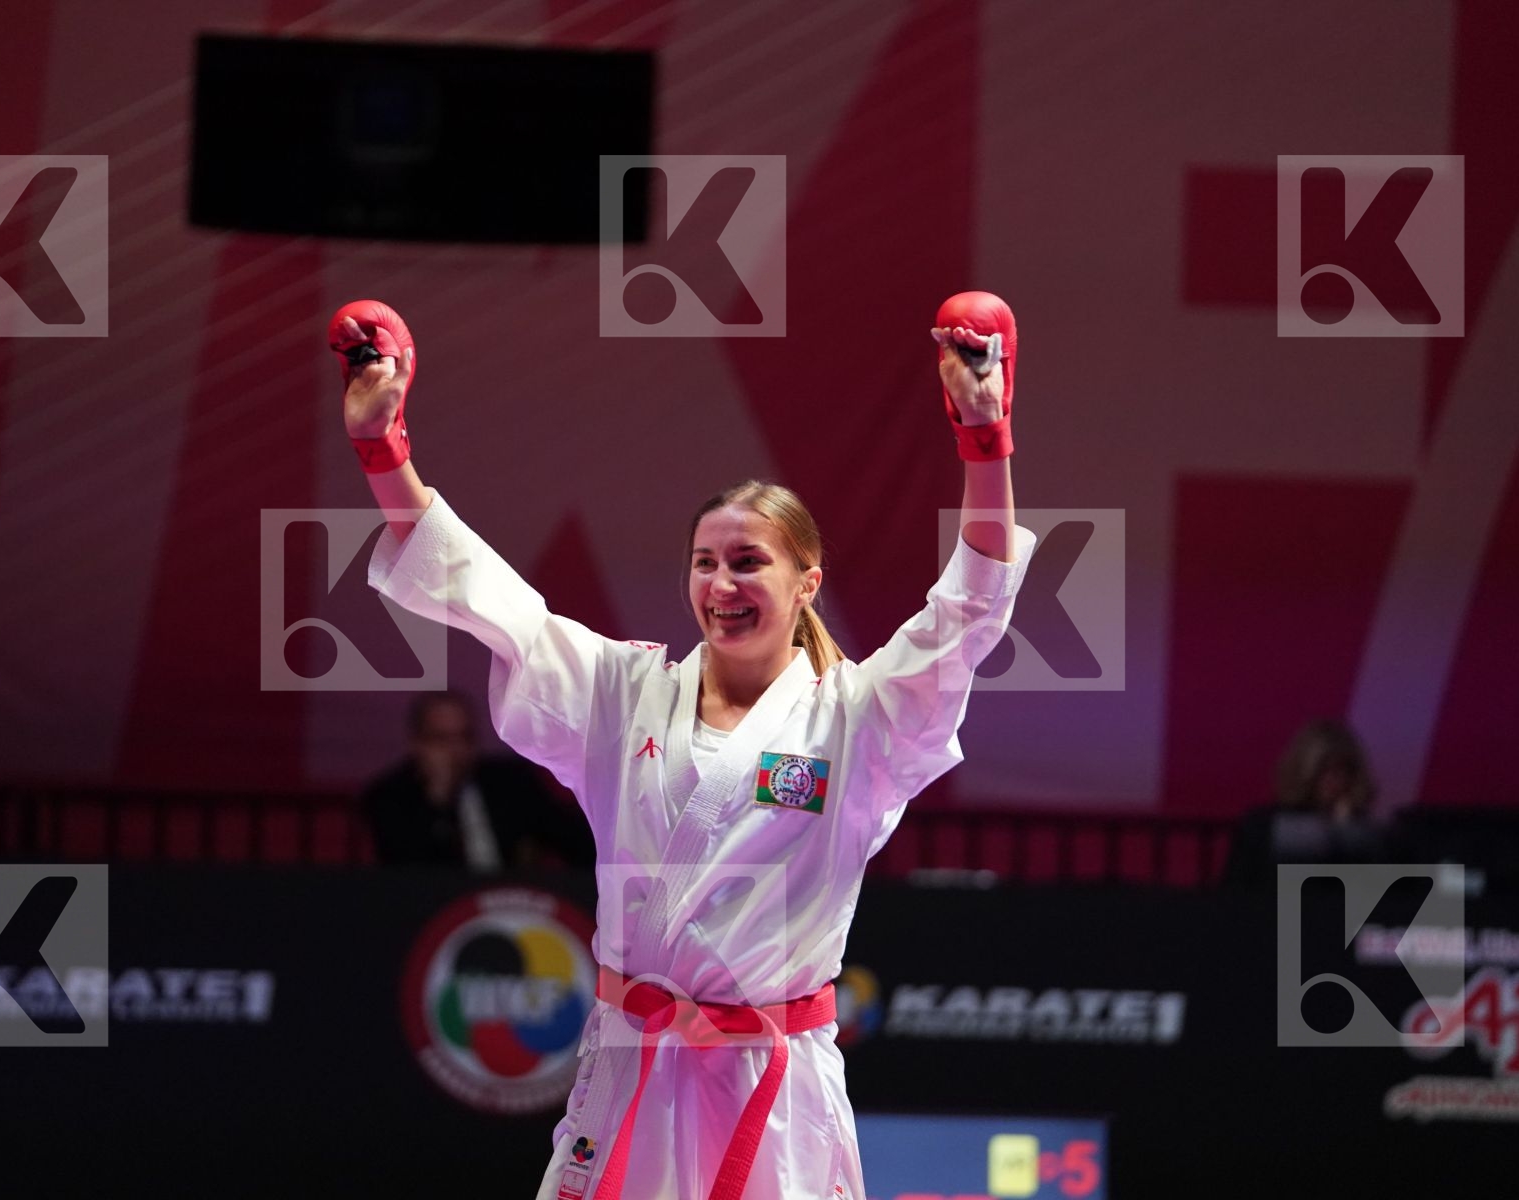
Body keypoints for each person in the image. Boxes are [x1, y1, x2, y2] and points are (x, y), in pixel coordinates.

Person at [328, 294, 1035, 1200]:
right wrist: (383, 451)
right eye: (706, 561)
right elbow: (485, 599)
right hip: (633, 1066)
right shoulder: (623, 693)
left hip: (774, 1090)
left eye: (749, 562)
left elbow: (968, 612)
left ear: (808, 583)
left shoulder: (860, 720)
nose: (722, 583)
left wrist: (985, 437)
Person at [358, 689, 595, 872]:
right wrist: (439, 797)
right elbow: (403, 871)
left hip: (513, 906)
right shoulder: (389, 796)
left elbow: (574, 840)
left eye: (465, 737)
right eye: (442, 739)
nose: (456, 749)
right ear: (416, 744)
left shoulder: (510, 783)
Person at [1221, 717, 1382, 889]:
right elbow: (1235, 891)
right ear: (1306, 770)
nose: (1335, 780)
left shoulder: (1363, 830)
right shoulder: (1263, 826)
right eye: (1325, 769)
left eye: (1343, 770)